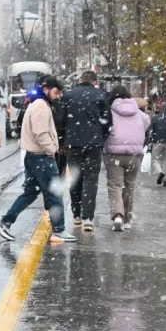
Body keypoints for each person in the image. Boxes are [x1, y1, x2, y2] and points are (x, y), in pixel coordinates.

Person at [0, 76, 76, 243]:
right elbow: (41, 133)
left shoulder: (38, 104)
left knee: (30, 192)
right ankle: (59, 230)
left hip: (34, 156)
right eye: (56, 92)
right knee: (54, 193)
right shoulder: (41, 106)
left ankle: (5, 222)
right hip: (41, 157)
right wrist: (51, 150)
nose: (58, 96)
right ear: (46, 90)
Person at [59, 70, 110, 232]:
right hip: (93, 143)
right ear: (94, 81)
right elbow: (108, 122)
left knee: (75, 177)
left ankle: (77, 214)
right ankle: (88, 216)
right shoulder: (101, 95)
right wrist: (101, 136)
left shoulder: (68, 95)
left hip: (72, 142)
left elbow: (60, 120)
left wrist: (62, 139)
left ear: (80, 80)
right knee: (91, 178)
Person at [104, 86, 150, 231]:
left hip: (114, 154)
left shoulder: (109, 112)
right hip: (134, 154)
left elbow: (104, 129)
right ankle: (127, 220)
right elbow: (147, 124)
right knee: (129, 186)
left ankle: (118, 215)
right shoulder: (139, 113)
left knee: (115, 185)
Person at [148, 102, 166, 187]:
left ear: (160, 109)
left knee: (155, 159)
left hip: (157, 142)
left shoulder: (155, 118)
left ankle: (160, 172)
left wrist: (150, 141)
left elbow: (151, 131)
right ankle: (165, 179)